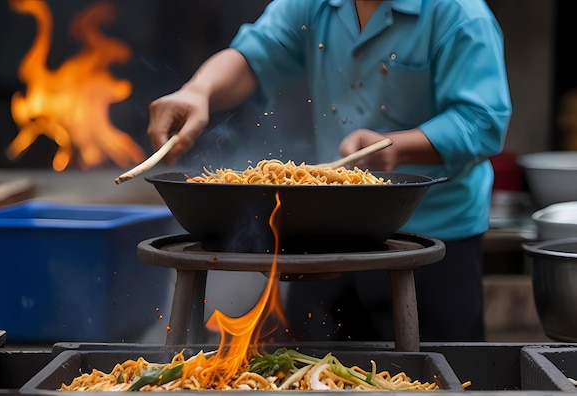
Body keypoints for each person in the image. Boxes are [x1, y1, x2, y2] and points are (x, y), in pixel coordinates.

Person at [147, 0, 512, 342]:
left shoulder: (459, 15)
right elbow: (254, 55)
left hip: (430, 242)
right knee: (305, 374)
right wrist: (199, 91)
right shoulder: (316, 5)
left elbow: (482, 122)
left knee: (436, 376)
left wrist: (396, 147)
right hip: (323, 231)